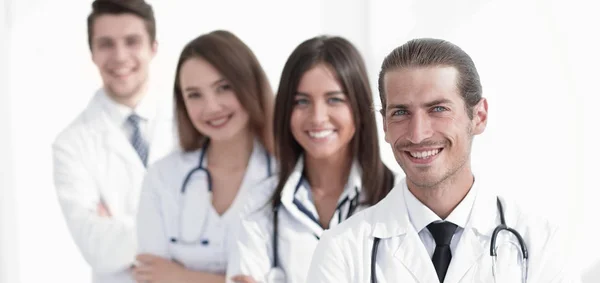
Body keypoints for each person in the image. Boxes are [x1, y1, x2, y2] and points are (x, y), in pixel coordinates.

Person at [305, 38, 581, 283]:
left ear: (479, 116)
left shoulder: (540, 246)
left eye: (438, 109)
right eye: (401, 112)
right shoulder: (341, 250)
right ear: (385, 125)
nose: (418, 134)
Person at [226, 35, 396, 283]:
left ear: (359, 108)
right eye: (302, 101)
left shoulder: (397, 197)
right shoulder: (260, 203)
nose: (317, 117)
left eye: (334, 99)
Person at [133, 30, 276, 283]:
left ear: (250, 85)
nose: (211, 107)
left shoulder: (285, 176)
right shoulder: (162, 177)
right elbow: (150, 275)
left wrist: (180, 276)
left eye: (223, 88)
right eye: (194, 94)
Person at [52, 1, 175, 282]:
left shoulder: (190, 121)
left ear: (153, 47)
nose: (120, 56)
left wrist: (119, 229)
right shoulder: (71, 144)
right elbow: (97, 248)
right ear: (92, 53)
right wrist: (179, 223)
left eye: (132, 41)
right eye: (106, 44)